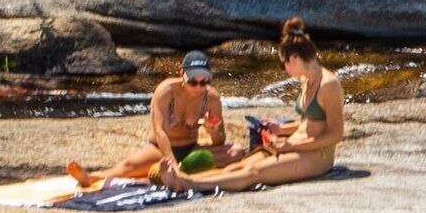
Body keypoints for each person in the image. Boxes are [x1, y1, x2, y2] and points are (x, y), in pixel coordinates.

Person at [159, 19, 349, 190]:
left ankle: (188, 184)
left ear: (293, 59)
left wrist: (289, 146)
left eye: (283, 65)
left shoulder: (329, 85)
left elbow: (335, 134)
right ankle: (182, 178)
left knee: (253, 173)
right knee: (240, 166)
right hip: (292, 145)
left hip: (316, 156)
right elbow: (309, 122)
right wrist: (281, 129)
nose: (284, 69)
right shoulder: (306, 80)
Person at [68, 50, 227, 189]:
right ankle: (91, 177)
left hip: (191, 149)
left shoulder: (212, 98)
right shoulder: (166, 91)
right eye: (193, 82)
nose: (198, 87)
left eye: (204, 82)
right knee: (127, 168)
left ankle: (180, 171)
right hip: (159, 150)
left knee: (236, 153)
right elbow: (159, 131)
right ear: (181, 74)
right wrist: (172, 164)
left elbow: (219, 141)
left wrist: (213, 130)